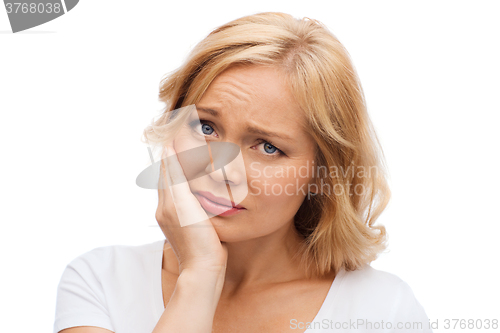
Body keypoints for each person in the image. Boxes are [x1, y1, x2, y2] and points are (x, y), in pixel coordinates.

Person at [53, 12, 432, 333]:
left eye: (268, 147)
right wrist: (200, 275)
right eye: (205, 127)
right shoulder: (100, 281)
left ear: (323, 171)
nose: (221, 171)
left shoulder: (384, 311)